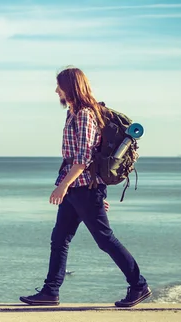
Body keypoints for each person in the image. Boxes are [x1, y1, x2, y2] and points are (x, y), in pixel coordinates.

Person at [19, 67, 151, 307]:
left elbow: (83, 158)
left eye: (59, 85)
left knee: (105, 239)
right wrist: (66, 186)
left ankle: (139, 285)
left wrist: (64, 187)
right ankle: (50, 292)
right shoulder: (72, 113)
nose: (56, 90)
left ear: (70, 87)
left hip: (84, 187)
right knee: (59, 238)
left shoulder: (85, 115)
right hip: (76, 188)